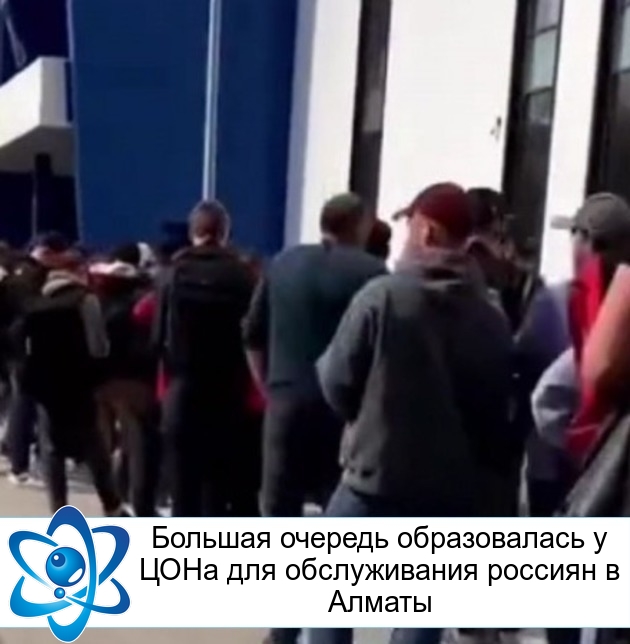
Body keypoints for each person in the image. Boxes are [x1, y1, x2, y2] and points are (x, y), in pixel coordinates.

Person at [306, 183, 513, 644]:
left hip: (373, 476)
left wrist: (364, 419)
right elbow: (494, 406)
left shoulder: (381, 298)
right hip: (448, 487)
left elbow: (336, 380)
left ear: (428, 231)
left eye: (410, 225)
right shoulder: (489, 316)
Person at [243, 193, 384, 644]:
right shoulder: (373, 275)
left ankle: (282, 631)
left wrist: (270, 387)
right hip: (343, 414)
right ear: (359, 225)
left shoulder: (282, 264)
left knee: (281, 519)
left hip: (285, 405)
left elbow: (252, 336)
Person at [154, 200, 255, 517]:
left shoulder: (172, 274)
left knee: (183, 493)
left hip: (183, 392)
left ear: (192, 232)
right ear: (224, 233)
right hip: (229, 395)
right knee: (217, 491)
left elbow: (156, 339)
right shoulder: (244, 276)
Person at [18, 248, 124, 516]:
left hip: (44, 381)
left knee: (51, 446)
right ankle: (111, 503)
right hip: (78, 380)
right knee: (92, 440)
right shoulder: (85, 299)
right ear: (78, 271)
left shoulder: (37, 298)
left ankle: (58, 508)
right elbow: (98, 345)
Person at [90, 252, 158, 516]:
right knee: (138, 443)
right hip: (132, 382)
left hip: (100, 382)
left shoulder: (97, 305)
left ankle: (114, 500)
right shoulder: (135, 309)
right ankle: (139, 504)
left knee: (108, 443)